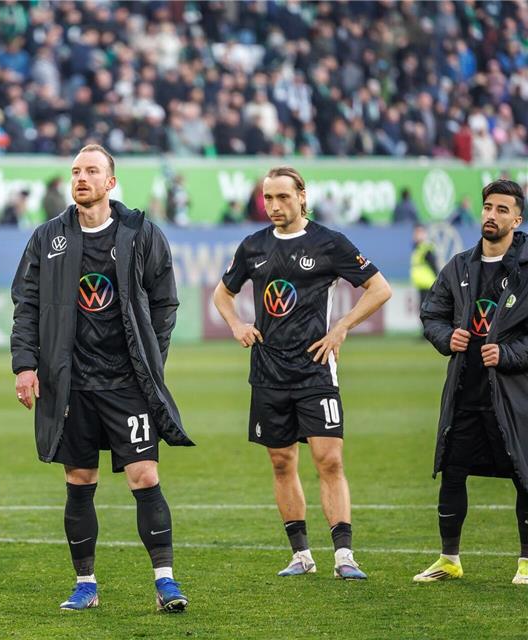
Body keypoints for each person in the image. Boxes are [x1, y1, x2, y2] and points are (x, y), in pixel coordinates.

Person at [11, 144, 193, 612]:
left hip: (127, 381)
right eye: (76, 171)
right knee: (79, 479)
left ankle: (165, 581)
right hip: (70, 383)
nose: (81, 178)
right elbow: (26, 305)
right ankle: (85, 584)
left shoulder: (140, 232)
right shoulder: (48, 236)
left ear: (110, 182)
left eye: (91, 171)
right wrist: (25, 365)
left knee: (144, 474)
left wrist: (152, 358)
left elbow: (165, 301)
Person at [212, 166, 391, 580]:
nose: (274, 206)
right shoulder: (253, 246)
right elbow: (223, 293)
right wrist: (236, 324)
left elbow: (380, 288)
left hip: (315, 370)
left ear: (302, 197)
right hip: (268, 371)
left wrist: (341, 327)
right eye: (268, 198)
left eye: (283, 197)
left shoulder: (329, 242)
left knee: (329, 460)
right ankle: (301, 555)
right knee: (281, 462)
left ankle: (344, 556)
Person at [415, 179, 528, 586]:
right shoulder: (460, 266)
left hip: (515, 395)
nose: (491, 215)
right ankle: (449, 559)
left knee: (524, 473)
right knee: (453, 470)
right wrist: (447, 337)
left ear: (517, 219)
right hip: (466, 389)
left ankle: (526, 563)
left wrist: (509, 354)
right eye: (487, 207)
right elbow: (432, 314)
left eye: (502, 210)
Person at [411, 225, 438, 310]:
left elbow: (434, 265)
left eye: (420, 232)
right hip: (421, 284)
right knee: (422, 308)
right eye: (416, 233)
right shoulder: (418, 248)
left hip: (428, 283)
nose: (417, 235)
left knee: (426, 308)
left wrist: (438, 280)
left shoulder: (426, 249)